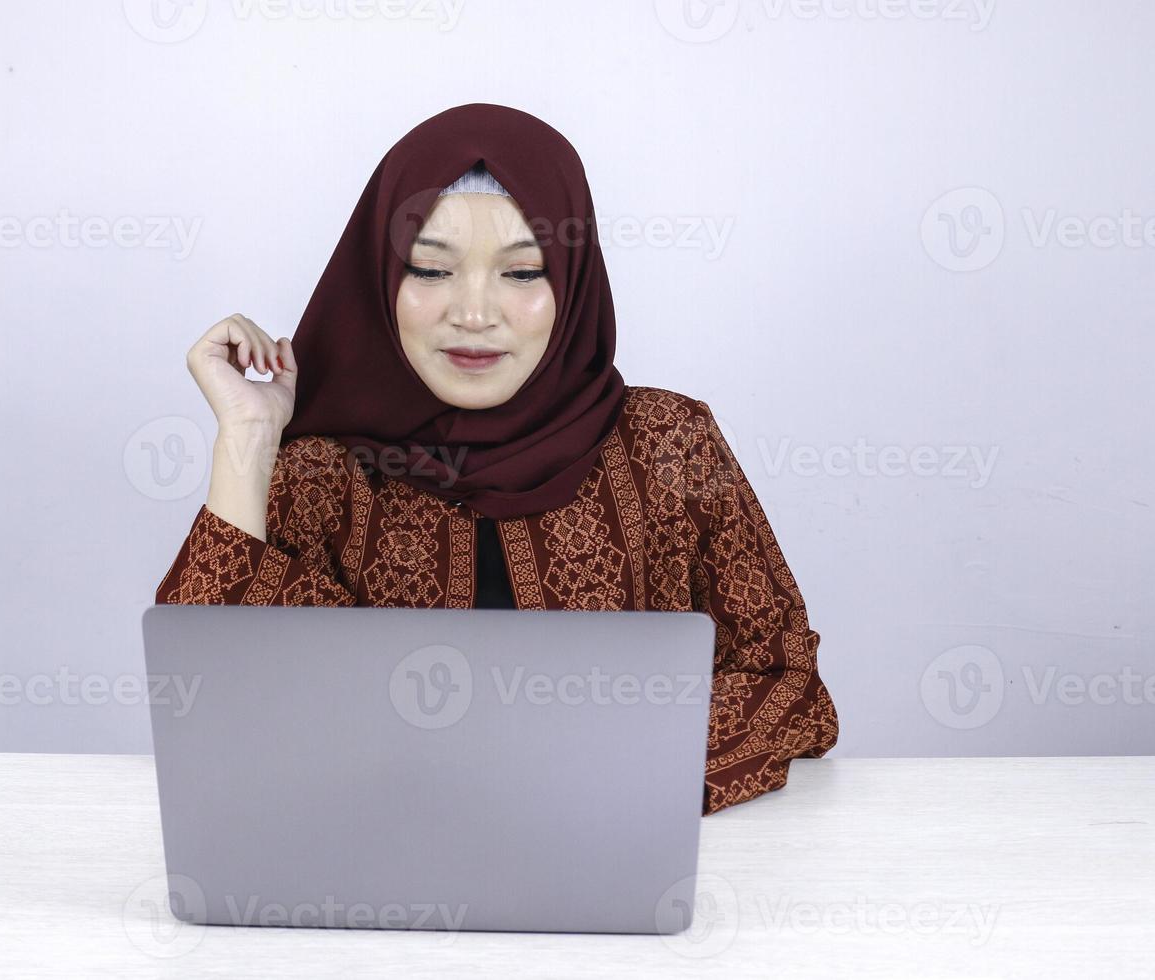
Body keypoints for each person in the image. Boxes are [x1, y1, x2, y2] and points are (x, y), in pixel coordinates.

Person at [154, 102, 838, 815]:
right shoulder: (323, 476)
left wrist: (593, 780)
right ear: (378, 278)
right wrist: (247, 438)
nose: (474, 313)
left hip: (604, 865)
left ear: (572, 283)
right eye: (429, 269)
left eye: (521, 273)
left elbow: (784, 679)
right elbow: (213, 706)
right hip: (372, 895)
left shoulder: (670, 446)